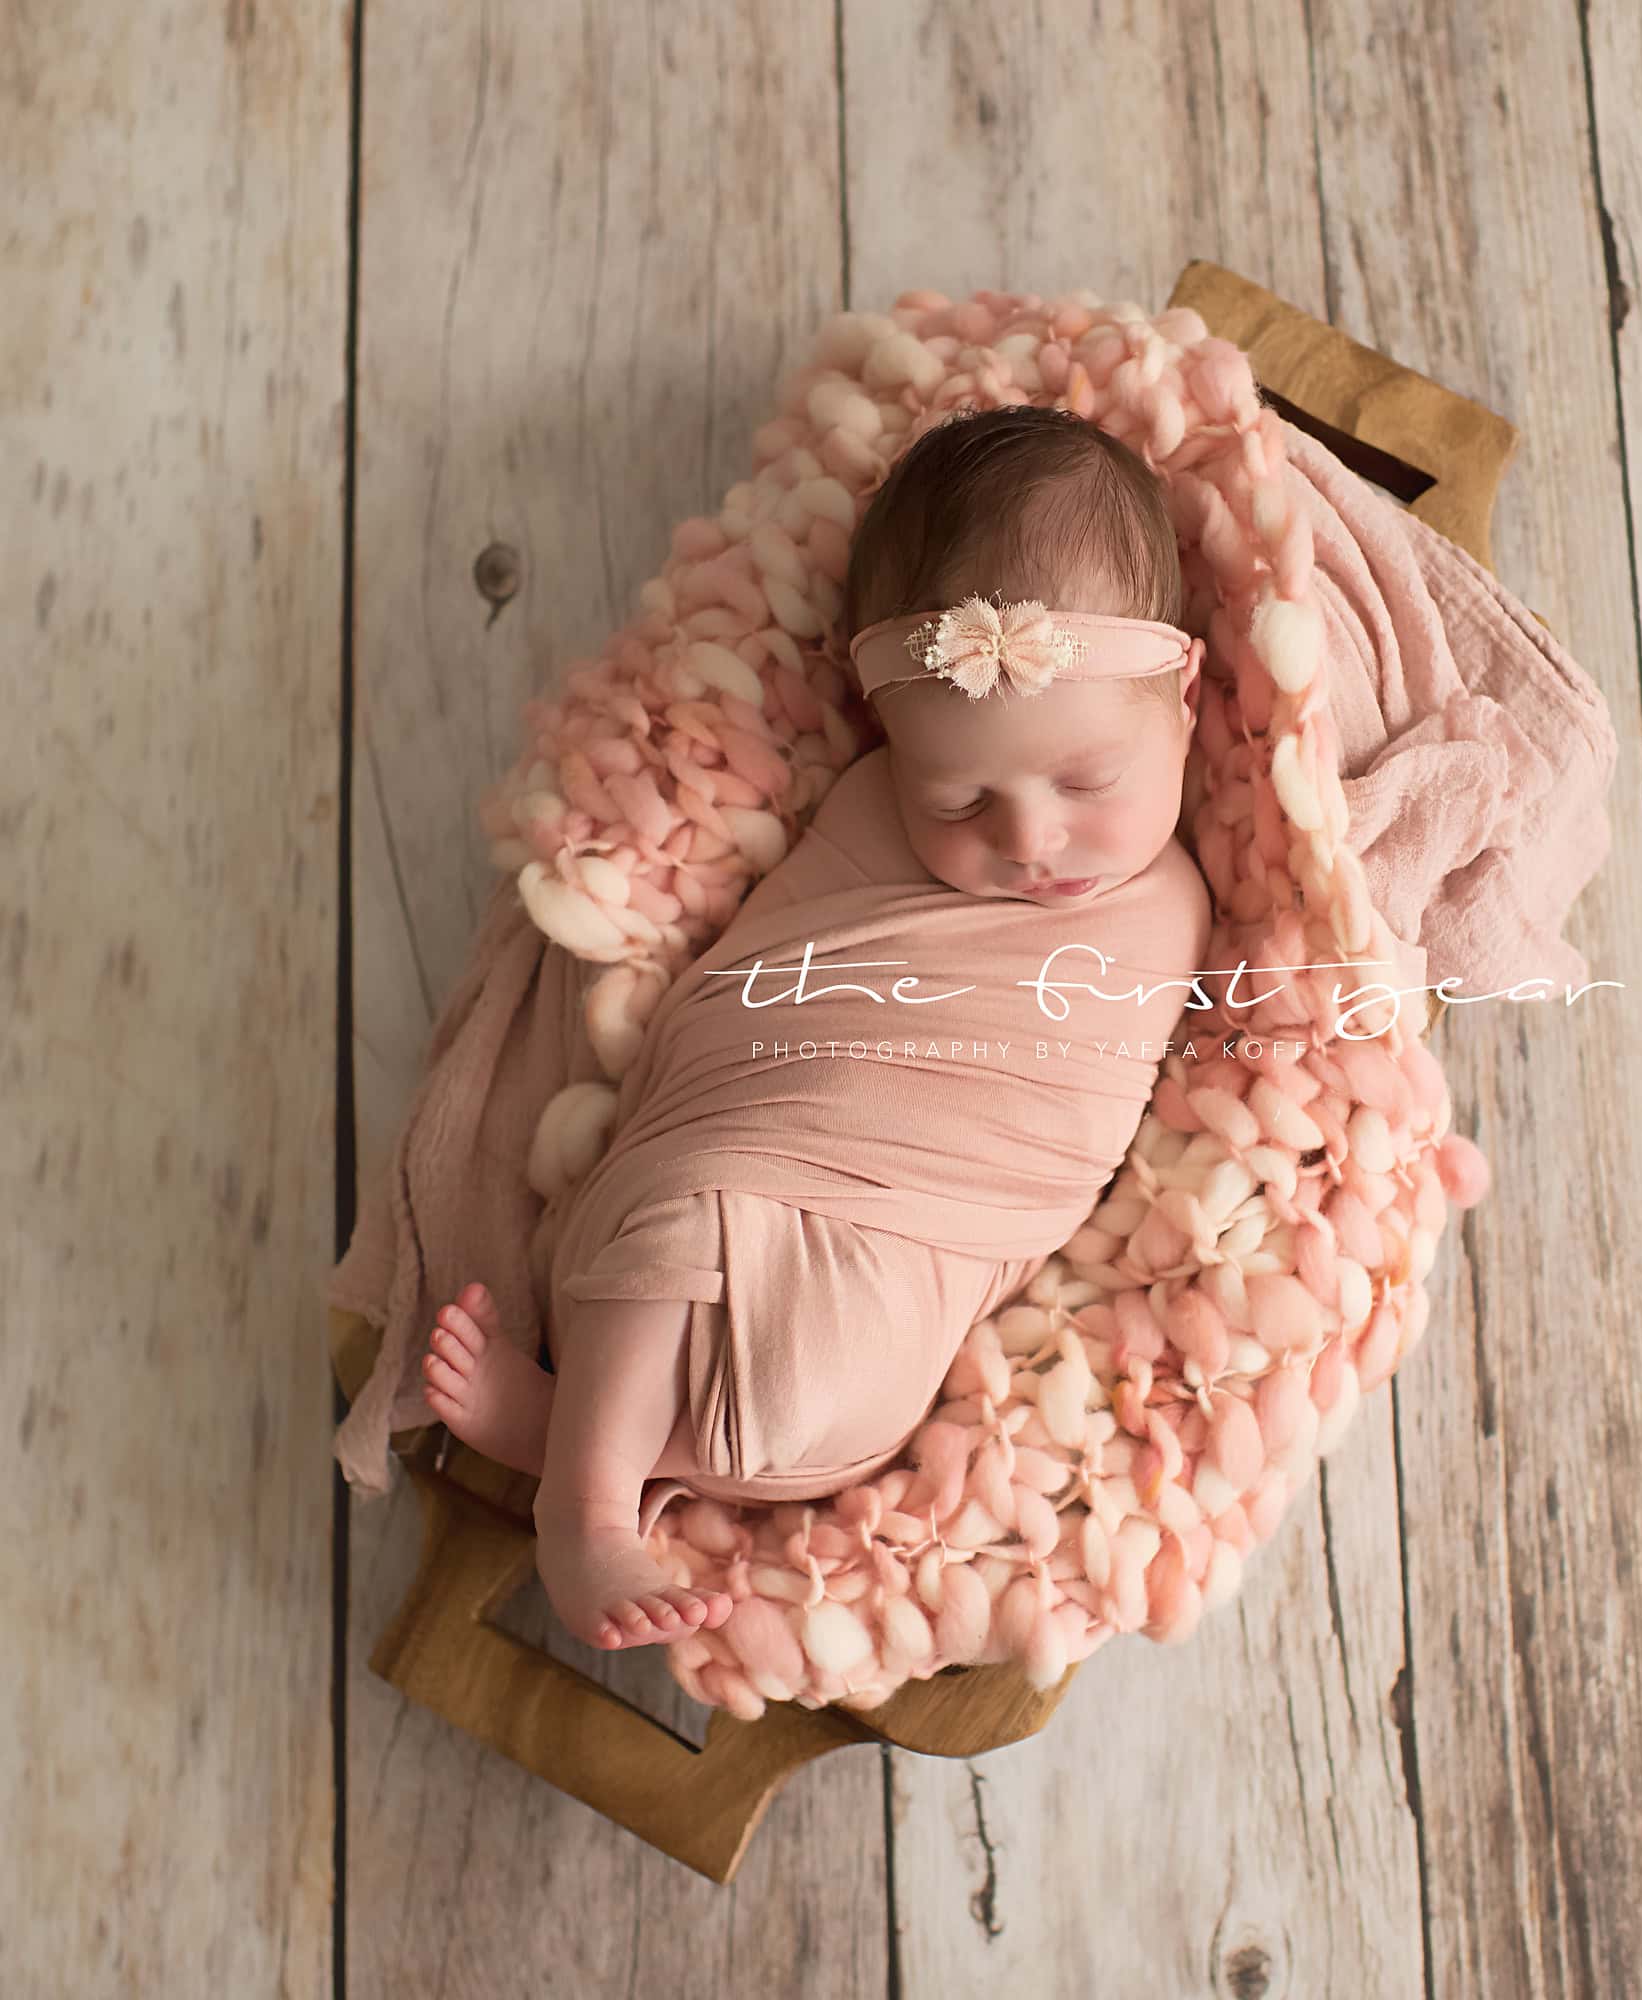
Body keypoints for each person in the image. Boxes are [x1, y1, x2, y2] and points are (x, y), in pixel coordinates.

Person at [418, 406, 1214, 1652]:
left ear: (1184, 696)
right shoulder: (869, 815)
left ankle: (582, 1433)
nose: (1026, 838)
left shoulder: (1191, 894)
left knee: (838, 1392)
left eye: (1082, 783)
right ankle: (586, 1501)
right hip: (766, 1142)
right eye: (956, 793)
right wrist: (756, 1098)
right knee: (692, 1206)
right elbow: (769, 981)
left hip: (925, 1231)